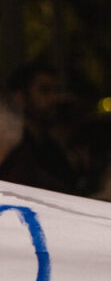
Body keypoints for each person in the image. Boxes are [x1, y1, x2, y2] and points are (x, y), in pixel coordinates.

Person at [0, 61, 74, 193]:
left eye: (57, 91)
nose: (54, 98)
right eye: (44, 90)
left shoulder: (54, 150)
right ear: (20, 97)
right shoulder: (13, 149)